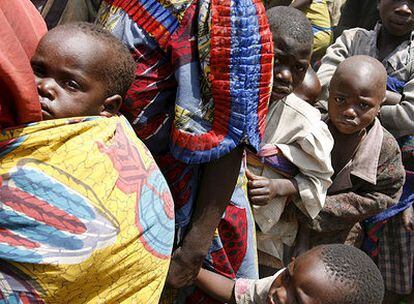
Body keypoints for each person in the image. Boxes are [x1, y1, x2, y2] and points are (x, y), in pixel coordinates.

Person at [96, 0, 273, 302]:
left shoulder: (228, 10)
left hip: (177, 210)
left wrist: (192, 251)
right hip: (111, 182)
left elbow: (230, 138)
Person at [0, 20, 175, 303]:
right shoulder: (44, 130)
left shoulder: (77, 159)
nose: (45, 87)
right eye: (39, 70)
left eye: (70, 84)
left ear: (108, 107)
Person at [317, 1, 414, 300]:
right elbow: (322, 86)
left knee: (393, 264)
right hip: (336, 161)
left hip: (402, 177)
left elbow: (410, 114)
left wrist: (352, 104)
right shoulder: (353, 39)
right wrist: (386, 99)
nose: (404, 9)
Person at [245, 6, 333, 272]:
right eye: (276, 60)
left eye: (298, 68)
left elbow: (319, 180)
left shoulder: (305, 123)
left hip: (266, 239)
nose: (285, 75)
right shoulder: (229, 95)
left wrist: (278, 187)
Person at [299, 56, 405, 257]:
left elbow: (386, 194)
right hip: (288, 223)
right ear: (328, 94)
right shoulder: (309, 126)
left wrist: (319, 205)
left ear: (380, 105)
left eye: (363, 106)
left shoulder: (385, 148)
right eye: (340, 100)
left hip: (339, 233)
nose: (349, 111)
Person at [195, 244, 385, 304]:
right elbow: (235, 291)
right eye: (287, 276)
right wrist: (190, 272)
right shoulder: (279, 286)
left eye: (298, 302)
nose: (280, 293)